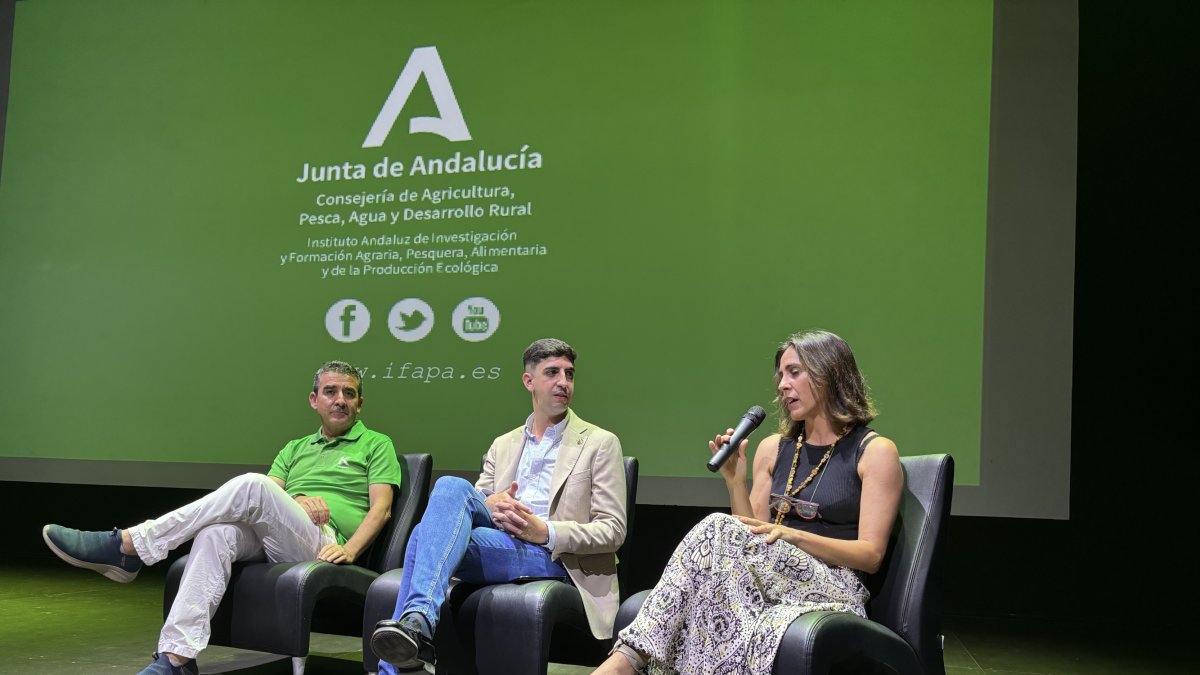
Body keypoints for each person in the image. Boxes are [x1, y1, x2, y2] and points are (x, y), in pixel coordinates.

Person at [41, 360, 402, 675]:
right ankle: (177, 660)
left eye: (349, 393)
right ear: (314, 400)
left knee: (250, 484)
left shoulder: (376, 444)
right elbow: (266, 498)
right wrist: (298, 499)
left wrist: (351, 550)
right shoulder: (295, 448)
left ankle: (131, 544)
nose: (340, 399)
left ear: (360, 403)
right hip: (283, 536)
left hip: (326, 544)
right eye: (331, 391)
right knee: (216, 533)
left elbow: (381, 508)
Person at [594, 330, 903, 675]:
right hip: (773, 575)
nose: (782, 385)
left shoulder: (874, 452)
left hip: (834, 585)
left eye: (794, 372)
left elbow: (871, 555)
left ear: (830, 373)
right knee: (716, 584)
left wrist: (793, 536)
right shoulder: (774, 448)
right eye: (780, 375)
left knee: (714, 527)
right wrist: (735, 480)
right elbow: (749, 537)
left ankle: (628, 660)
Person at [371, 338, 626, 674]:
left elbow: (613, 530)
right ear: (529, 381)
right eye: (552, 373)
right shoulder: (503, 444)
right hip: (499, 540)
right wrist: (491, 503)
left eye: (569, 374)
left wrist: (545, 531)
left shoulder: (599, 443)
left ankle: (407, 648)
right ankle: (415, 631)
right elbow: (468, 510)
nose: (563, 382)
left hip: (555, 557)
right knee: (449, 488)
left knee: (422, 537)